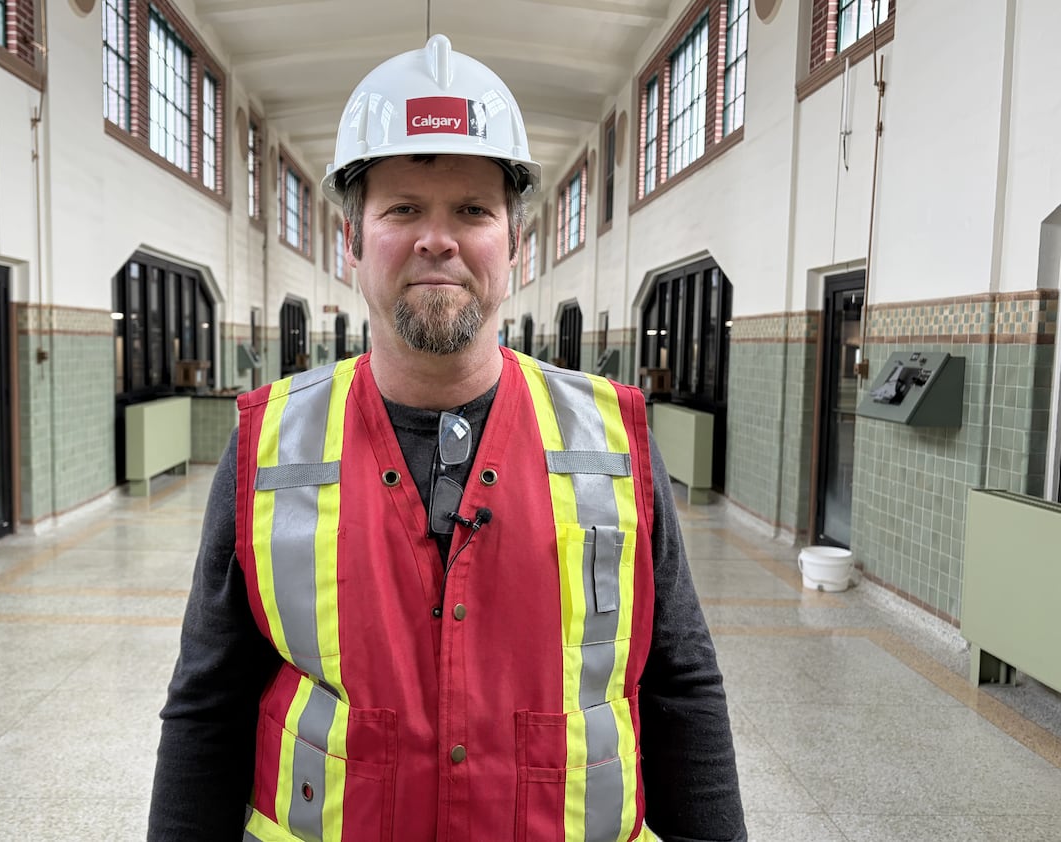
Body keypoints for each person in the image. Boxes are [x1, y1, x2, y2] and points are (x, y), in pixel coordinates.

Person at [149, 34, 746, 842]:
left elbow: (681, 689)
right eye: (403, 209)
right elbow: (208, 704)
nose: (440, 238)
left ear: (513, 245)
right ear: (353, 241)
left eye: (473, 210)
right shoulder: (268, 444)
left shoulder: (614, 436)